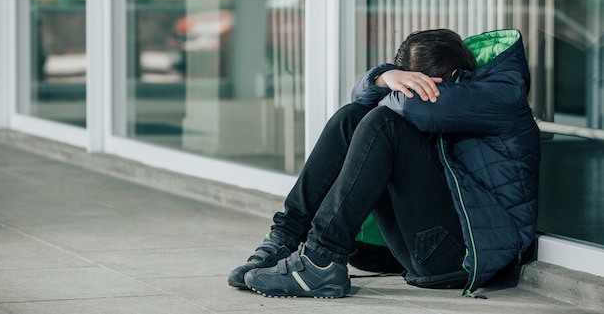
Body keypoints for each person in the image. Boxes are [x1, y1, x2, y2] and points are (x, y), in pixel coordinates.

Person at [228, 28, 540, 298]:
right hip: (417, 243)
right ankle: (285, 238)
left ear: (453, 78)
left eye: (417, 85)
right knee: (351, 117)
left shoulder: (500, 92)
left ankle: (320, 258)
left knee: (383, 122)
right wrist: (384, 77)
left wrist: (387, 84)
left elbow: (419, 109)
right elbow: (360, 99)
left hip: (465, 254)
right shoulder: (452, 84)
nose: (407, 90)